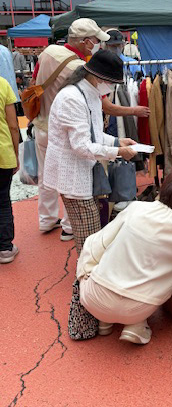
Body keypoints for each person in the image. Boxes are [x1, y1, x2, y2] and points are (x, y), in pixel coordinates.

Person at [44, 50, 138, 340]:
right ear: (99, 77)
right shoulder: (72, 98)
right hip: (74, 177)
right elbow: (81, 145)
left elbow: (94, 135)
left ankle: (97, 310)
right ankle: (87, 316)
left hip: (85, 174)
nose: (112, 88)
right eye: (111, 82)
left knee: (93, 242)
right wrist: (117, 151)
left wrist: (117, 140)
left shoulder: (90, 95)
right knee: (89, 247)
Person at [76, 169, 172, 345]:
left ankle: (104, 321)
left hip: (95, 298)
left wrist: (86, 269)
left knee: (94, 251)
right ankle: (136, 324)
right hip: (140, 307)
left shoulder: (136, 208)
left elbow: (98, 244)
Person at [32, 18, 108, 240]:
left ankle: (46, 220)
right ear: (85, 41)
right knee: (72, 177)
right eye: (95, 41)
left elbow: (35, 80)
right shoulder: (79, 67)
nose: (97, 45)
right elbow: (100, 100)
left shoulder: (48, 52)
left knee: (46, 175)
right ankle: (69, 226)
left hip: (42, 123)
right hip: (65, 130)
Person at [0, 76, 20, 264]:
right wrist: (15, 153)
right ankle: (5, 248)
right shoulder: (3, 84)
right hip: (2, 152)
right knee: (3, 201)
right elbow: (13, 125)